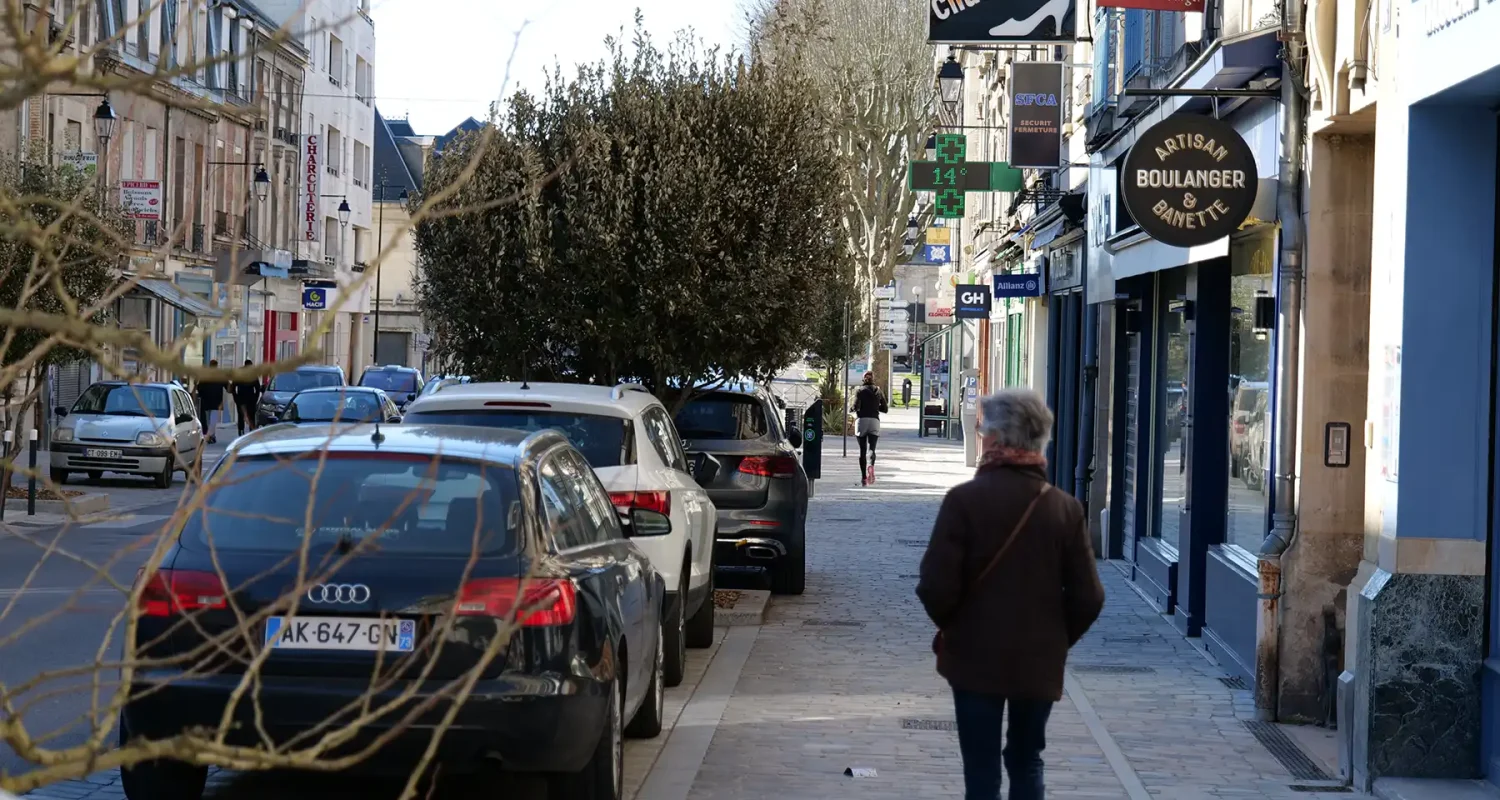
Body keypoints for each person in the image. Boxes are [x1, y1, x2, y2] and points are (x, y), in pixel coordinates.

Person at [916, 388, 1105, 800]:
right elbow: (1089, 597)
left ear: (999, 438)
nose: (981, 436)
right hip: (1038, 660)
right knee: (1026, 758)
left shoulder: (964, 501)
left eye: (984, 430)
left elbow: (934, 584)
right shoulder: (1064, 508)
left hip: (973, 658)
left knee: (981, 770)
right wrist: (1055, 638)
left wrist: (957, 627)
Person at [850, 371, 887, 485]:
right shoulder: (878, 390)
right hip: (874, 421)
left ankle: (864, 478)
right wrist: (875, 408)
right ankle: (871, 465)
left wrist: (852, 409)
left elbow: (855, 406)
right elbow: (885, 409)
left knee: (862, 450)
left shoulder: (859, 390)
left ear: (863, 379)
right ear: (873, 379)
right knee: (872, 449)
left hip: (862, 421)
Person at [195, 361, 228, 444]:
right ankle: (211, 435)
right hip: (216, 402)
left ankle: (210, 435)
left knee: (207, 419)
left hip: (206, 401)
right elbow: (228, 387)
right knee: (212, 420)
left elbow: (199, 388)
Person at [232, 360, 262, 436]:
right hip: (250, 398)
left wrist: (235, 397)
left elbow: (233, 387)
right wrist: (256, 398)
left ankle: (241, 432)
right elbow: (257, 388)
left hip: (241, 398)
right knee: (251, 416)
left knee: (241, 416)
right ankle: (250, 432)